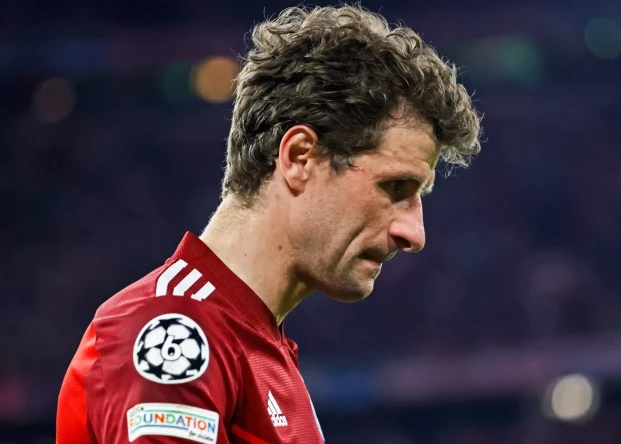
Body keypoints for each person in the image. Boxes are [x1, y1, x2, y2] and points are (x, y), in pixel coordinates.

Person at [56, 4, 482, 444]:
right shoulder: (174, 330)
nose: (413, 233)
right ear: (299, 158)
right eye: (395, 186)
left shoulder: (258, 348)